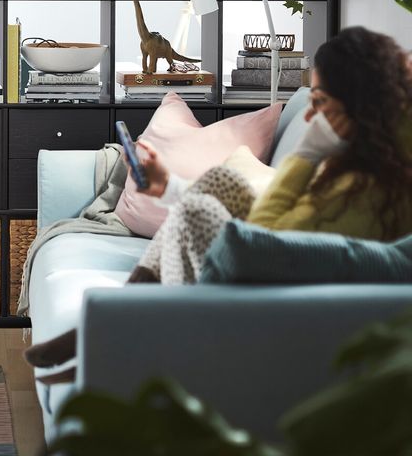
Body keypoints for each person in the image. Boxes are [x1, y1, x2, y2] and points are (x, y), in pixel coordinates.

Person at [25, 26, 412, 376]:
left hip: (275, 292)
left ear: (361, 105)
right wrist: (169, 186)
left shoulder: (367, 188)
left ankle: (108, 332)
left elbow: (265, 235)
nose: (310, 114)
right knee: (223, 182)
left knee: (200, 212)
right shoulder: (357, 158)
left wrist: (306, 156)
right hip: (267, 263)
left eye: (321, 101)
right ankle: (108, 327)